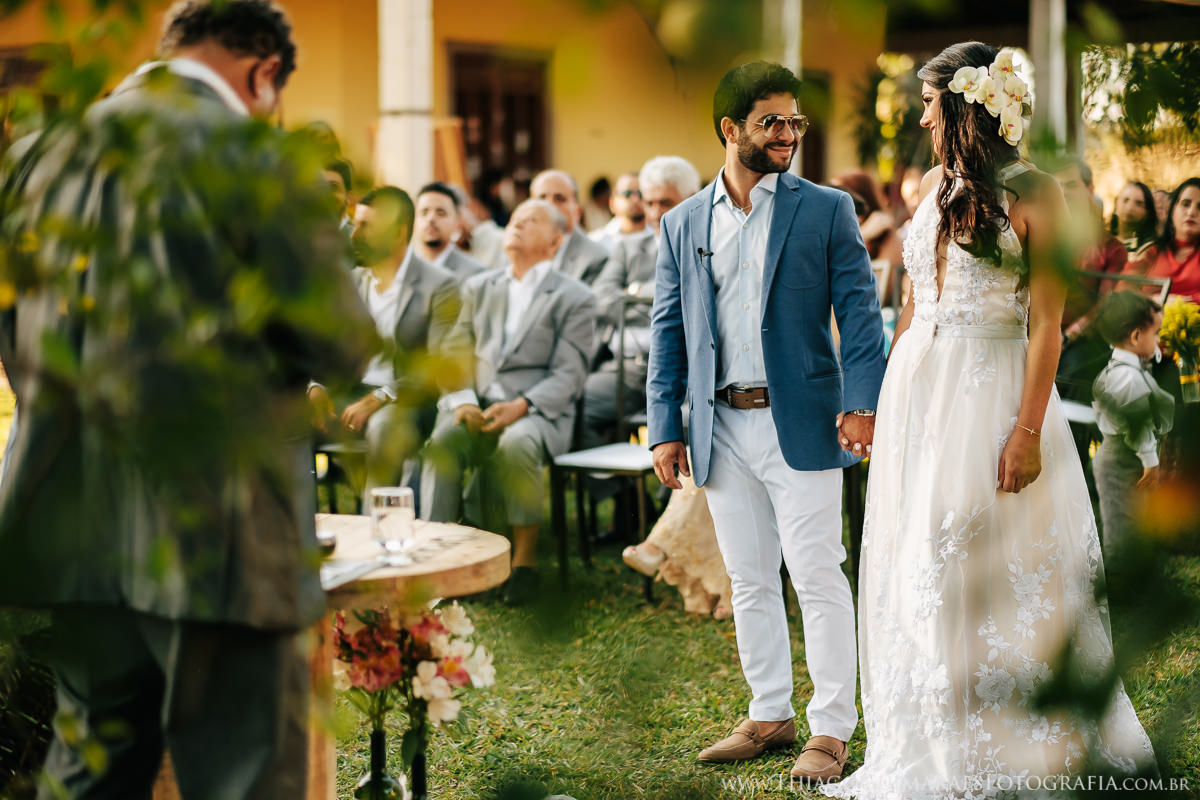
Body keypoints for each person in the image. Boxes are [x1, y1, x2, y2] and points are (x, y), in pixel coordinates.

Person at [0, 2, 374, 797]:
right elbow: (338, 343)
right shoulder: (248, 154)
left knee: (88, 773)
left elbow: (14, 330)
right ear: (263, 73)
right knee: (240, 780)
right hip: (222, 536)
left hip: (73, 520)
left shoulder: (36, 158)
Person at [823, 42, 1155, 800]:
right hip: (922, 392)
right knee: (924, 560)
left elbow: (1045, 324)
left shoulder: (1035, 191)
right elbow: (912, 303)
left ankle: (1018, 737)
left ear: (964, 106)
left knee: (992, 558)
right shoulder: (933, 186)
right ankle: (938, 735)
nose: (922, 114)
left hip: (994, 390)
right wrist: (885, 402)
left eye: (931, 101)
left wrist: (1027, 431)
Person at [647, 61, 886, 781]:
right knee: (750, 578)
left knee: (817, 573)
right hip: (718, 427)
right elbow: (668, 329)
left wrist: (861, 402)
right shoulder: (682, 221)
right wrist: (666, 424)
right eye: (771, 122)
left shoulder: (826, 209)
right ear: (730, 129)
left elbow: (861, 316)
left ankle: (833, 729)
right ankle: (769, 713)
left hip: (806, 421)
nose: (787, 135)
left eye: (795, 122)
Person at [421, 199, 597, 606]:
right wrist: (463, 401)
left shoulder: (575, 297)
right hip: (478, 405)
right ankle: (443, 561)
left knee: (517, 442)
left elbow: (570, 374)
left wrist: (521, 406)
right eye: (514, 219)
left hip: (538, 412)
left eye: (529, 221)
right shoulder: (479, 287)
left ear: (554, 242)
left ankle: (525, 563)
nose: (515, 225)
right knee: (441, 444)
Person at [309, 186, 461, 502]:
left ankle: (375, 535)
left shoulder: (441, 285)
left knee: (385, 429)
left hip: (405, 402)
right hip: (349, 394)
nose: (353, 236)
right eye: (355, 224)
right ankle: (299, 531)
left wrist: (381, 396)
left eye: (367, 227)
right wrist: (316, 385)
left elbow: (437, 366)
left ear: (398, 233)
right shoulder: (352, 280)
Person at [1091, 291, 1174, 561]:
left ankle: (1135, 570)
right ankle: (1120, 579)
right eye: (1156, 334)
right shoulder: (1126, 378)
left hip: (1128, 457)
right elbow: (1136, 427)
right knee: (1121, 522)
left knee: (1136, 517)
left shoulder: (1128, 367)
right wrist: (1150, 460)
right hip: (1122, 459)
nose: (1159, 341)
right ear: (1136, 337)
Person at [1123, 177, 1200, 304]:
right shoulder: (1151, 252)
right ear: (1172, 211)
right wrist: (1148, 302)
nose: (1191, 212)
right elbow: (1124, 288)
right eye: (1185, 204)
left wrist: (1178, 302)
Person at [530, 168, 610, 285]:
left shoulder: (596, 258)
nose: (549, 205)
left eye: (559, 199)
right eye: (542, 198)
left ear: (577, 211)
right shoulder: (516, 250)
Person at [412, 181, 487, 282]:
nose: (431, 218)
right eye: (424, 212)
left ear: (457, 222)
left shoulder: (475, 274)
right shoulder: (402, 271)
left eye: (441, 213)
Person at [588, 172, 651, 254]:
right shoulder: (595, 242)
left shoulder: (661, 239)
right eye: (627, 194)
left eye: (641, 194)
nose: (635, 199)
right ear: (612, 203)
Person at [1109, 180, 1159, 258]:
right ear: (1116, 205)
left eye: (1139, 203)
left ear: (1148, 213)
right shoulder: (1101, 244)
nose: (1130, 207)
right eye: (1125, 200)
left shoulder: (1152, 249)